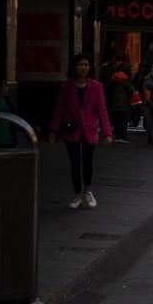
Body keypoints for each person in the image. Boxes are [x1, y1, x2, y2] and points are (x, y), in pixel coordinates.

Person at [48, 53, 112, 209]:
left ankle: (88, 191)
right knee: (75, 163)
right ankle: (77, 195)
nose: (83, 68)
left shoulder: (97, 86)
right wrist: (53, 129)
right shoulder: (67, 86)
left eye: (86, 65)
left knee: (88, 162)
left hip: (89, 129)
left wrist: (107, 132)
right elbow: (59, 108)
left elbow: (102, 109)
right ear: (74, 67)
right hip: (72, 130)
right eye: (80, 64)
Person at [105, 62, 133, 142]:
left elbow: (108, 90)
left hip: (113, 103)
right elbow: (129, 90)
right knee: (123, 120)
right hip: (124, 103)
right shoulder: (125, 77)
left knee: (116, 119)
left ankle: (117, 136)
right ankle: (122, 136)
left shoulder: (113, 76)